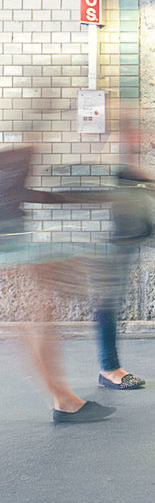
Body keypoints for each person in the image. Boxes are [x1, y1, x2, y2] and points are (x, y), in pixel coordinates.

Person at [1, 145, 114, 423]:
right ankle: (63, 401)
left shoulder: (23, 145)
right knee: (41, 309)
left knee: (42, 309)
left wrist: (67, 200)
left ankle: (63, 399)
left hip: (14, 230)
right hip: (10, 233)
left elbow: (15, 189)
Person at [93, 125, 155, 389]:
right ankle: (109, 368)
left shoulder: (123, 152)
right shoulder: (109, 149)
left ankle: (109, 366)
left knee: (111, 299)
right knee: (107, 299)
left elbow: (141, 178)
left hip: (123, 238)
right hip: (109, 239)